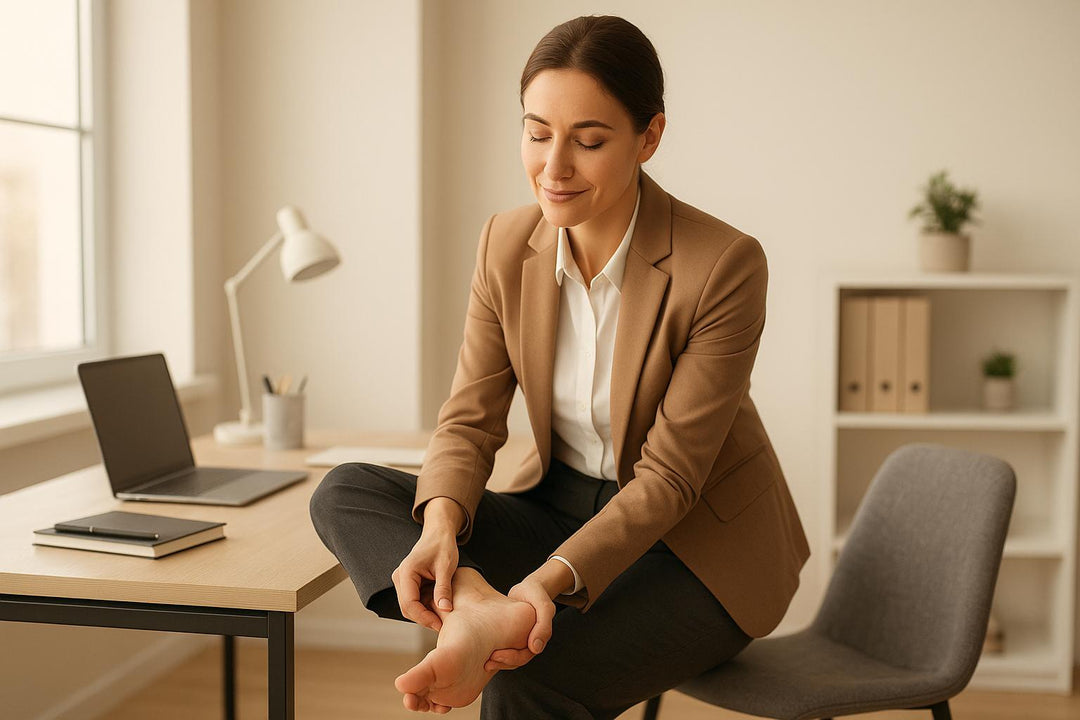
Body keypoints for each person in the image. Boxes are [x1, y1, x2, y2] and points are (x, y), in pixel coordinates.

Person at [309, 15, 810, 719]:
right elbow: (469, 420)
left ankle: (499, 616)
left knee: (525, 680)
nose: (554, 167)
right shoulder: (505, 244)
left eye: (590, 140)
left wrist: (542, 585)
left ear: (650, 137)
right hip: (561, 503)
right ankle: (478, 608)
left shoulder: (722, 264)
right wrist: (443, 528)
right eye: (537, 133)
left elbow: (669, 479)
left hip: (694, 548)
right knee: (348, 490)